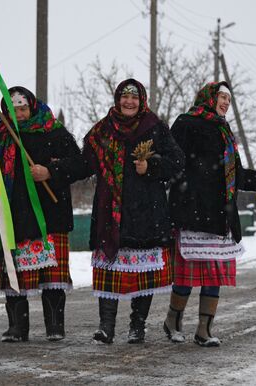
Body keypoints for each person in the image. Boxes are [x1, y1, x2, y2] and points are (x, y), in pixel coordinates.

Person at [0, 86, 82, 342]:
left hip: (49, 216)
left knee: (51, 277)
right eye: (13, 110)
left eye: (23, 108)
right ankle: (18, 327)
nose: (18, 114)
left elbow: (80, 164)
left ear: (31, 107)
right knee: (14, 275)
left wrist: (51, 171)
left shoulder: (53, 131)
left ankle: (55, 327)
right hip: (12, 216)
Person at [165, 81, 256, 347]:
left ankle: (204, 330)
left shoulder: (225, 131)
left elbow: (236, 174)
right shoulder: (186, 123)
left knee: (213, 275)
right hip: (191, 212)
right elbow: (171, 160)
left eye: (228, 99)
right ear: (209, 97)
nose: (225, 102)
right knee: (187, 276)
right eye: (222, 97)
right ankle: (172, 320)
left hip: (219, 215)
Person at [79, 78, 184, 344]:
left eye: (134, 98)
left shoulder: (155, 128)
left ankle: (138, 325)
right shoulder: (101, 131)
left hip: (146, 212)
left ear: (142, 101)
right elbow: (83, 164)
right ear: (117, 99)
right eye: (125, 97)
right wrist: (54, 169)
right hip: (109, 211)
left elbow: (177, 162)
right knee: (109, 269)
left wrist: (152, 166)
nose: (129, 102)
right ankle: (106, 327)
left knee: (142, 272)